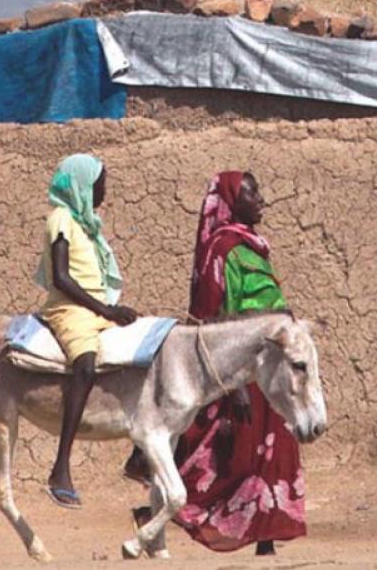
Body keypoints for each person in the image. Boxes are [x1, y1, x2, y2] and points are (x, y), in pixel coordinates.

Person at [125, 171, 306, 555]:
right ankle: (154, 512)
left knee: (269, 449)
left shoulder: (253, 246)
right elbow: (210, 317)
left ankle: (265, 539)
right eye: (251, 193)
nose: (261, 200)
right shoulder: (220, 250)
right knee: (228, 456)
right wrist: (234, 384)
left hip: (268, 363)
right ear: (230, 201)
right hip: (235, 368)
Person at [35, 154, 139, 509]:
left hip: (94, 310)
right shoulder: (60, 219)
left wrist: (108, 311)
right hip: (68, 309)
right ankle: (60, 466)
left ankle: (140, 456)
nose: (104, 190)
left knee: (145, 353)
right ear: (80, 185)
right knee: (85, 365)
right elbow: (62, 279)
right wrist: (106, 309)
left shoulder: (87, 224)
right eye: (99, 183)